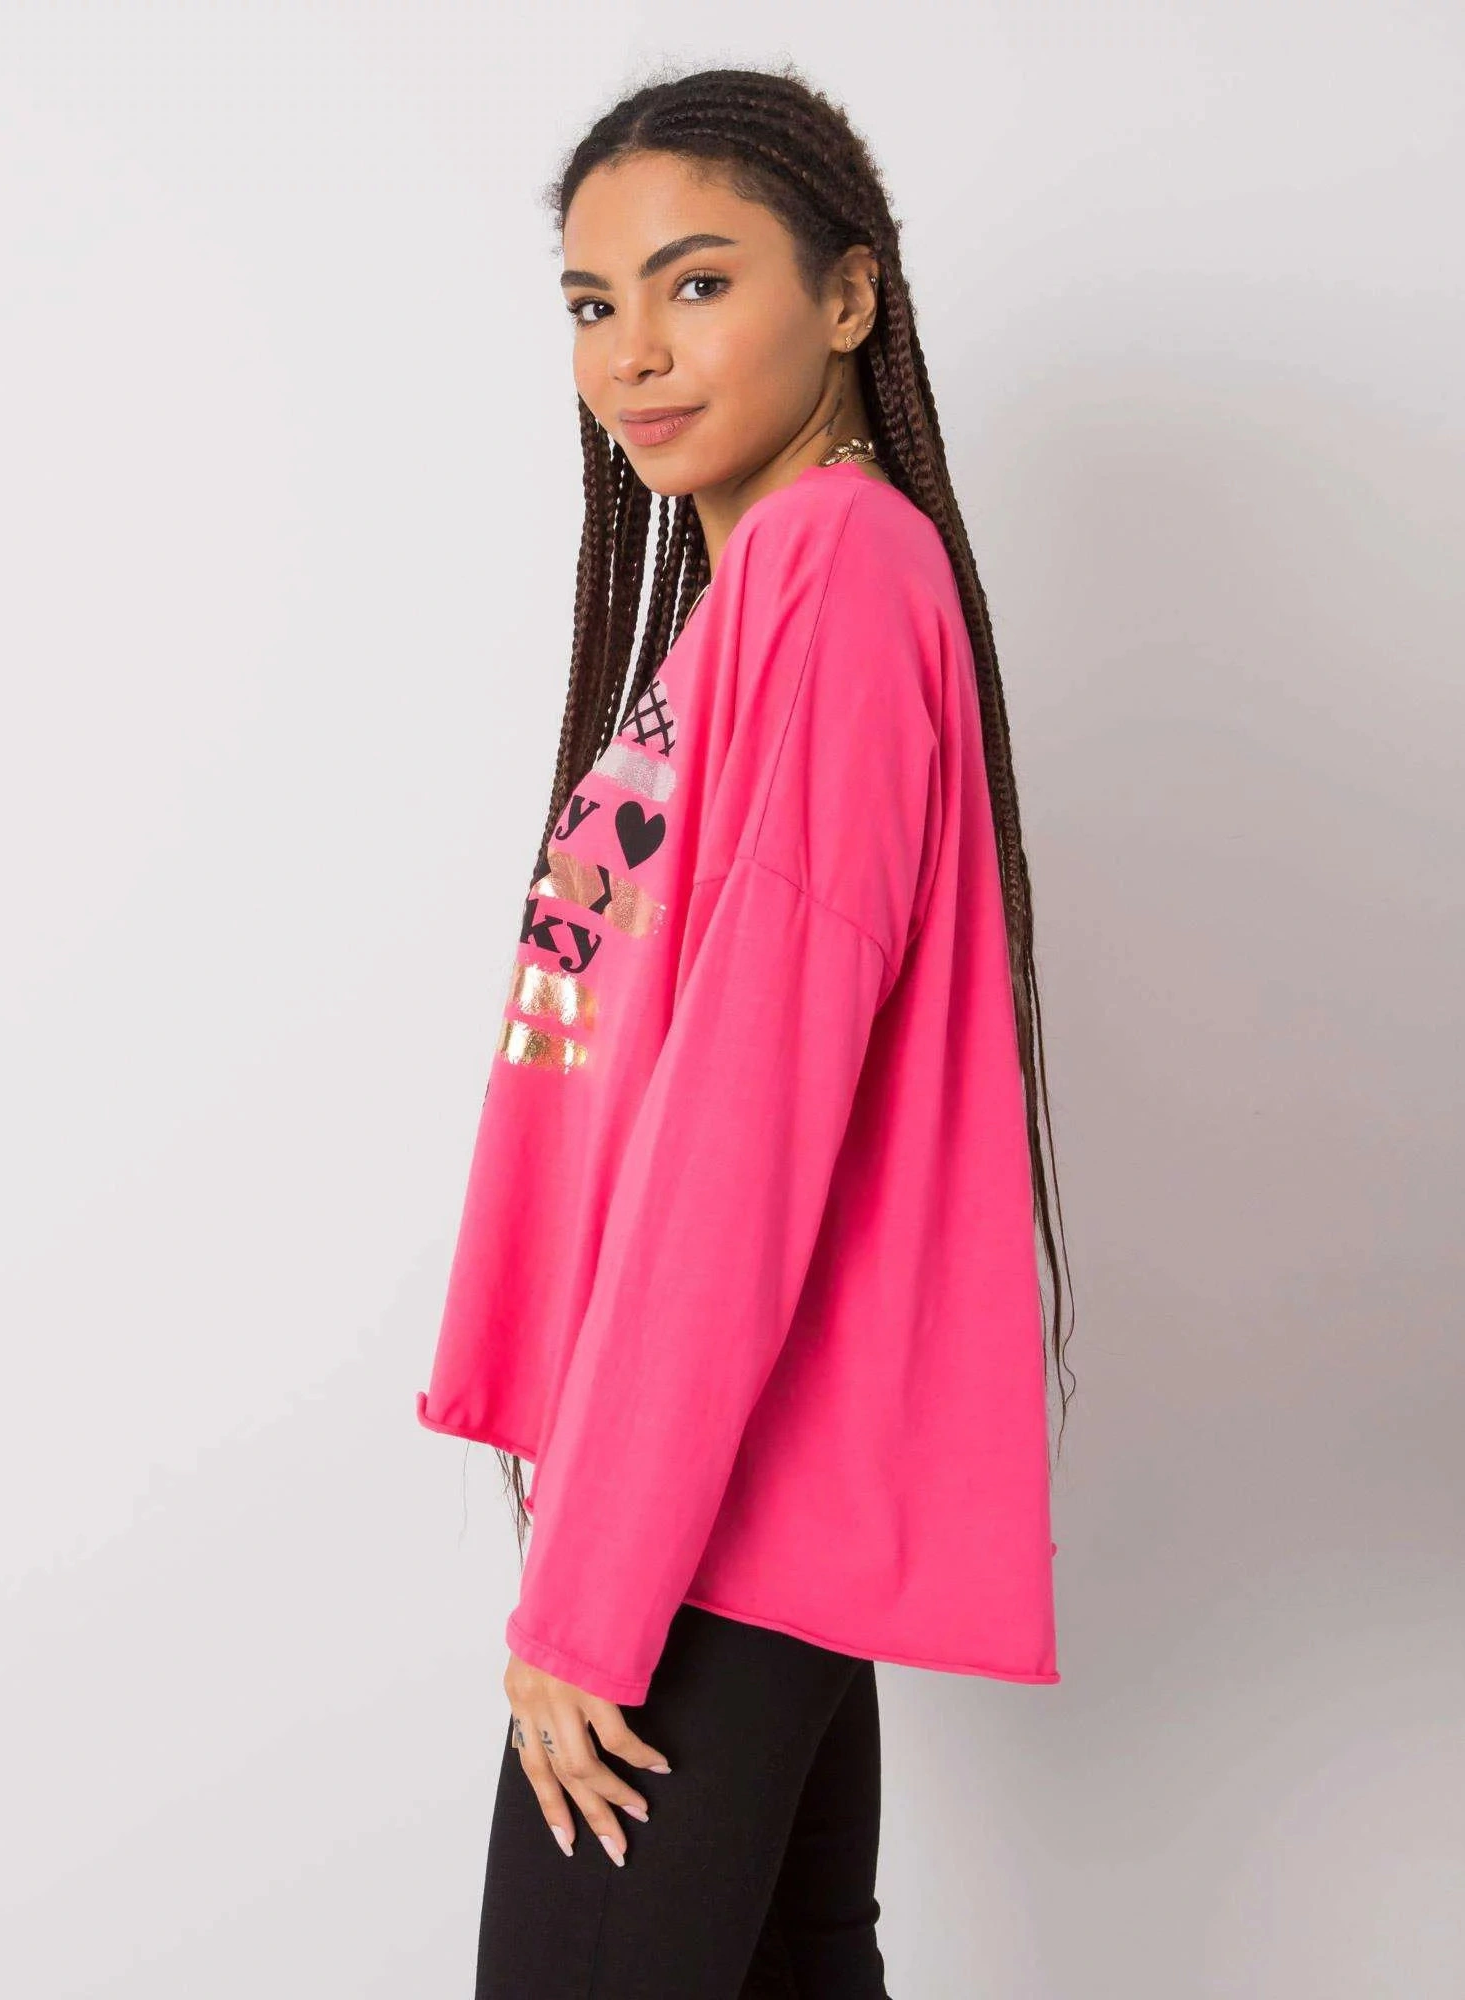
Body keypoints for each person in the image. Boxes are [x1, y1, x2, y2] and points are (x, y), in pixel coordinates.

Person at [415, 61, 1077, 2000]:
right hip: (727, 1481)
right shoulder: (759, 596)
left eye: (696, 284)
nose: (632, 350)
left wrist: (593, 1589)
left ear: (849, 294)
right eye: (592, 302)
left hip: (707, 1500)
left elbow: (750, 1105)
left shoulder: (833, 571)